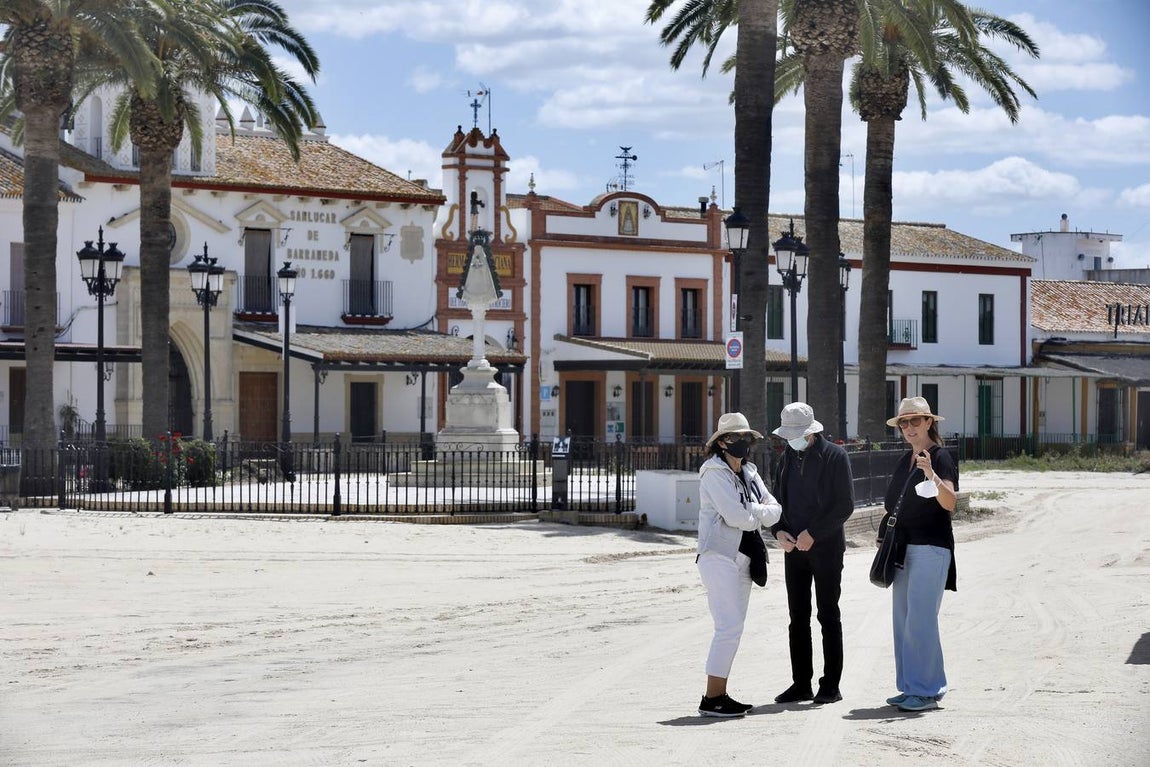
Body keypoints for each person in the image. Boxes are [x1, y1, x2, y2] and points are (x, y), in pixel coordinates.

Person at [696, 412, 782, 717]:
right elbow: (736, 517)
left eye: (746, 437)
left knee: (734, 627)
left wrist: (752, 510)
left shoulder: (750, 471)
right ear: (721, 443)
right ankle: (712, 697)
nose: (743, 443)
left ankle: (719, 694)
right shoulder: (713, 471)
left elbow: (775, 509)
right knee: (727, 626)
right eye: (735, 437)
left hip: (745, 556)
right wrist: (755, 512)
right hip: (719, 554)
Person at [769, 402, 854, 705]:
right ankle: (801, 683)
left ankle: (831, 685)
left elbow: (844, 505)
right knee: (797, 617)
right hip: (793, 549)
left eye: (796, 434)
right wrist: (778, 530)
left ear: (810, 432)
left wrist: (813, 534)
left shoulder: (835, 456)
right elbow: (775, 501)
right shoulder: (785, 459)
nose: (790, 440)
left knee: (828, 615)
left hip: (827, 548)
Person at [879, 396, 958, 713]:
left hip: (931, 548)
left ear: (929, 422)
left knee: (921, 620)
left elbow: (950, 502)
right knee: (903, 620)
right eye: (904, 422)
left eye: (915, 421)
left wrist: (932, 474)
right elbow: (893, 504)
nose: (909, 427)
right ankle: (913, 687)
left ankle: (926, 690)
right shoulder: (904, 461)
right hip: (902, 548)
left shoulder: (940, 457)